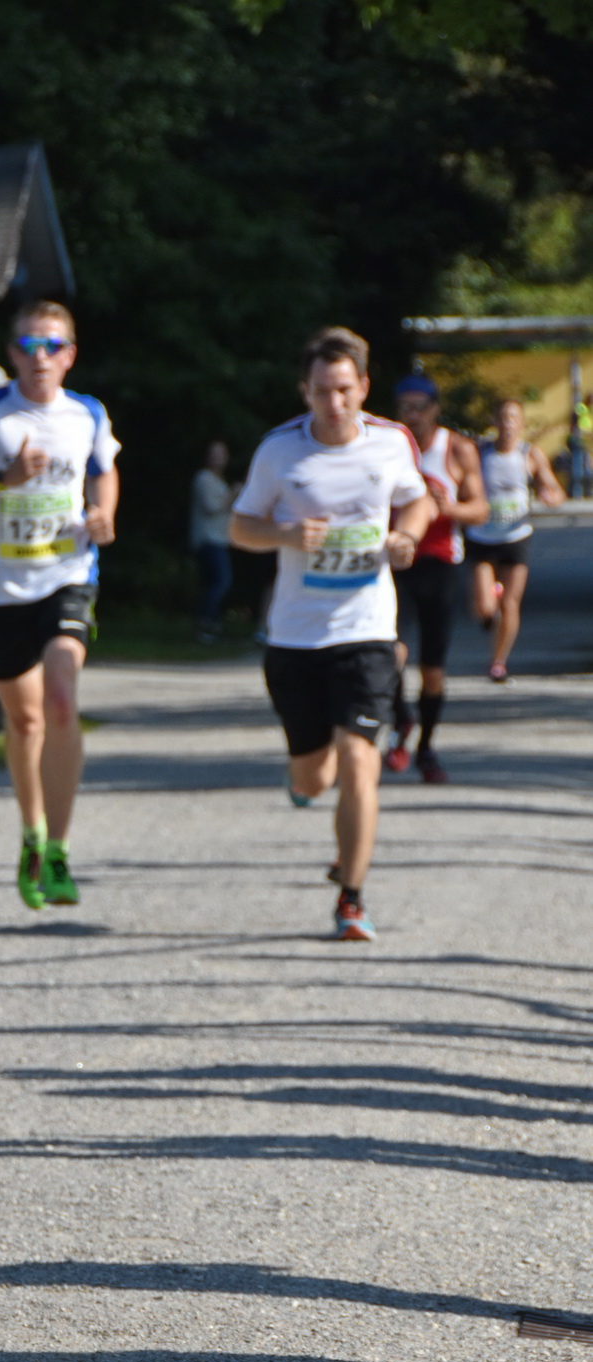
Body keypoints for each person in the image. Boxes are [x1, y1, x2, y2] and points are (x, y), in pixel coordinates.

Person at [230, 326, 432, 941]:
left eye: (344, 389)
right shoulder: (279, 451)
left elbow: (418, 501)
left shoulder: (391, 443)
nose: (334, 402)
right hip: (295, 638)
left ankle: (351, 896)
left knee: (359, 760)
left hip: (368, 631)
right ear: (306, 391)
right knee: (313, 776)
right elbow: (241, 527)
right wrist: (285, 535)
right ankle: (307, 790)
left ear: (363, 387)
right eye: (322, 391)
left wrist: (409, 536)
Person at [0, 301, 120, 909]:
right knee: (23, 722)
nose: (40, 358)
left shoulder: (88, 413)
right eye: (28, 346)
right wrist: (5, 479)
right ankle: (30, 834)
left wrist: (105, 511)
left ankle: (59, 846)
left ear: (70, 354)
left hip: (68, 573)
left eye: (52, 346)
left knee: (61, 696)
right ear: (12, 353)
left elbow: (103, 471)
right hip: (1, 587)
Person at [387, 375, 488, 783]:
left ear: (435, 408)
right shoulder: (387, 446)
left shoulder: (457, 448)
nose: (413, 415)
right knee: (390, 653)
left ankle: (426, 747)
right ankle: (401, 720)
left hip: (440, 564)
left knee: (432, 669)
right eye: (405, 406)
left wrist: (450, 510)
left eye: (420, 406)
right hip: (395, 561)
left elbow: (480, 509)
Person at [468, 398, 565, 682]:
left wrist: (550, 497)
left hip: (516, 536)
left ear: (521, 423)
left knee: (510, 604)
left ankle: (498, 662)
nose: (508, 424)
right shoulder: (480, 452)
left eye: (514, 418)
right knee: (484, 608)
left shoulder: (530, 454)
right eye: (503, 418)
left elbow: (555, 491)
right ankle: (490, 607)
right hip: (482, 536)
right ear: (493, 422)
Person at [189, 440, 237, 640]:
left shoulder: (218, 480)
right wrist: (233, 495)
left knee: (215, 583)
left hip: (220, 540)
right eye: (215, 453)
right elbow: (211, 507)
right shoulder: (204, 478)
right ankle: (205, 624)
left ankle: (212, 626)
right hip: (208, 539)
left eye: (222, 454)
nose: (219, 458)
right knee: (220, 583)